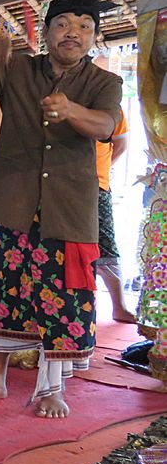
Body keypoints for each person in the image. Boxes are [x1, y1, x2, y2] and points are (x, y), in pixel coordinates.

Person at [0, 0, 122, 419]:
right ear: (46, 33)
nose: (72, 32)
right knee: (8, 291)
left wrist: (71, 111)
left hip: (70, 207)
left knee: (64, 299)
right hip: (17, 200)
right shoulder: (20, 69)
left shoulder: (105, 81)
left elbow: (104, 126)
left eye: (84, 26)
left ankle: (52, 389)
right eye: (62, 24)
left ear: (93, 37)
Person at [94, 109, 134, 323]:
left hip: (97, 184)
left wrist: (100, 169)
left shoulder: (108, 102)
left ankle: (119, 307)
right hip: (61, 186)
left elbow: (121, 144)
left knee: (106, 244)